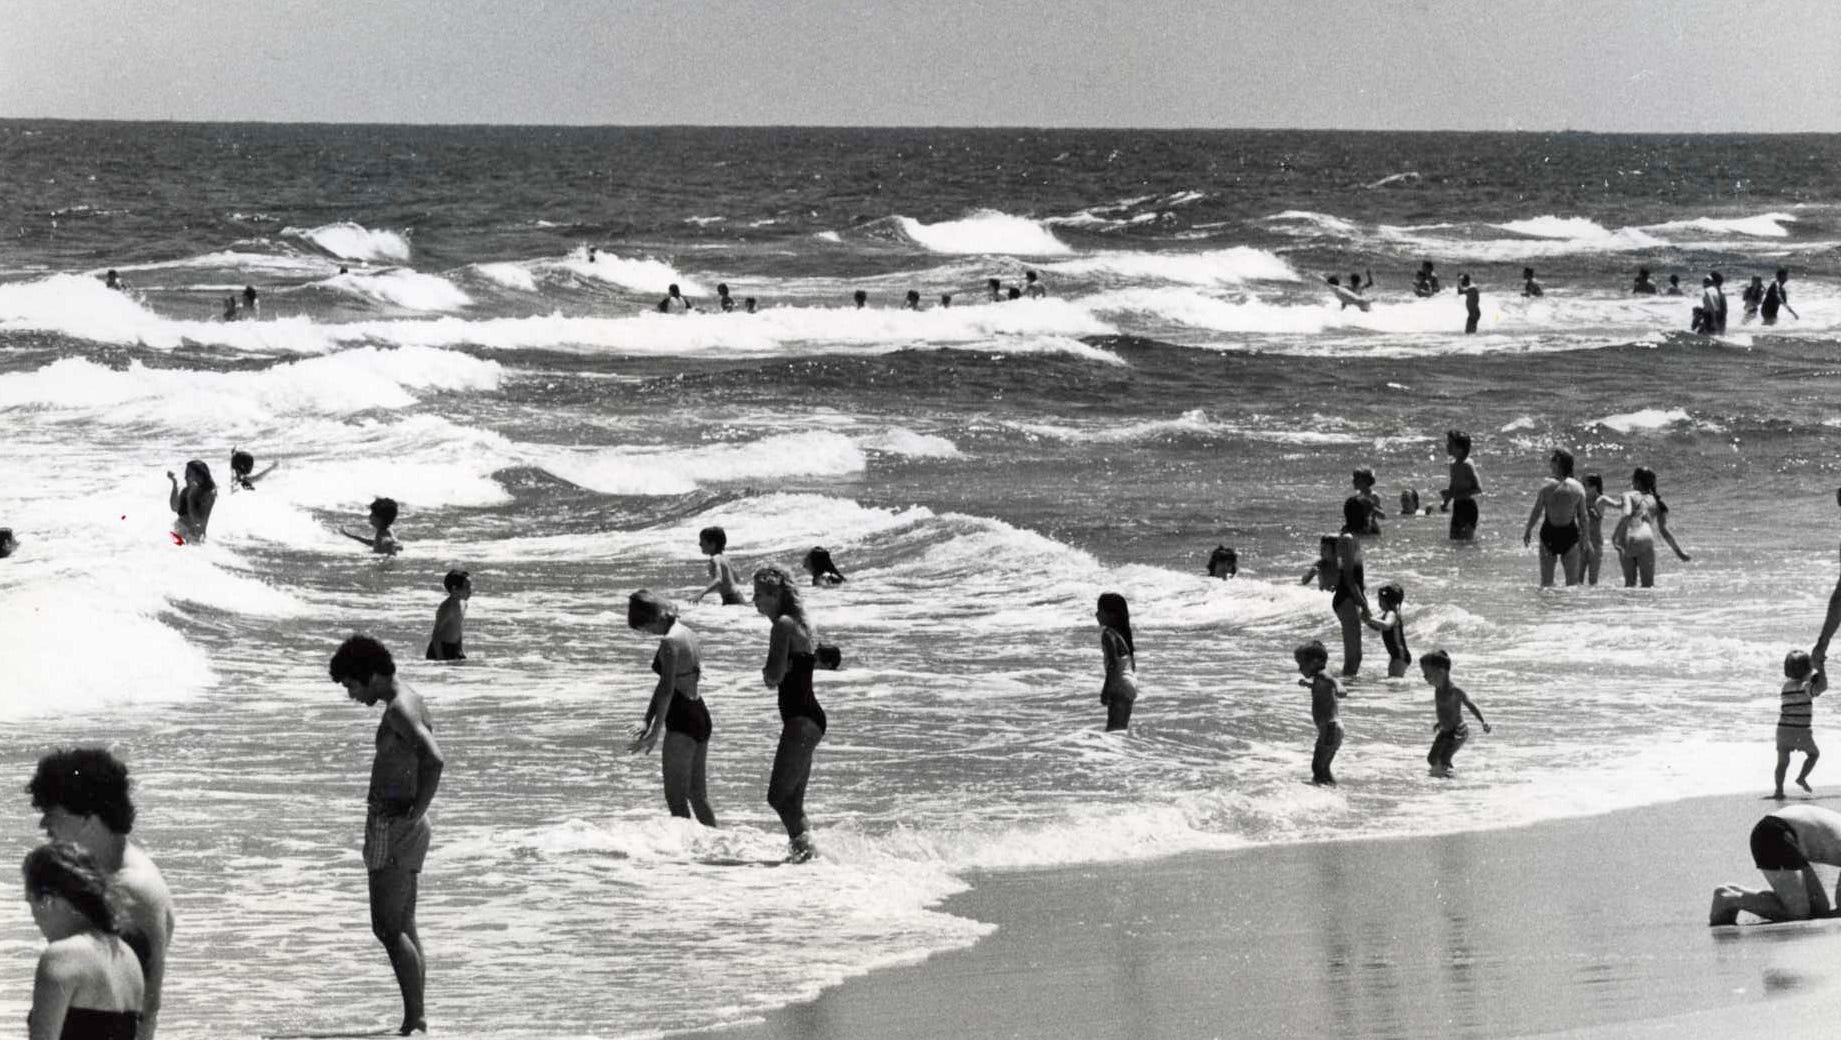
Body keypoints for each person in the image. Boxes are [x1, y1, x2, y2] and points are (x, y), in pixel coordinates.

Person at [329, 636, 443, 1036]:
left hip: (394, 826)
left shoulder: (398, 710)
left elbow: (434, 759)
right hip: (401, 825)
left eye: (351, 685)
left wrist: (415, 813)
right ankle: (416, 1019)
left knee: (387, 928)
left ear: (372, 676)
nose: (351, 695)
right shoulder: (410, 698)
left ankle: (414, 1021)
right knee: (403, 924)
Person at [28, 749, 173, 1040]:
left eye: (52, 813)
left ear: (88, 819)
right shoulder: (107, 872)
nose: (44, 825)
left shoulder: (129, 887)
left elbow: (146, 1005)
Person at [23, 842, 146, 1040]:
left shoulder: (62, 955)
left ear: (48, 900)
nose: (34, 918)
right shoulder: (127, 957)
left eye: (31, 902)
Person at [754, 566, 826, 862]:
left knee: (778, 796)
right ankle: (807, 858)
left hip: (801, 720)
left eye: (759, 594)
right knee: (792, 801)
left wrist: (770, 673)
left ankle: (808, 855)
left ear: (775, 595)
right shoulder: (799, 624)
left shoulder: (782, 625)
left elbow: (772, 676)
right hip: (808, 718)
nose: (754, 600)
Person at [627, 591, 716, 826]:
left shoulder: (669, 642)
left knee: (675, 798)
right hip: (699, 713)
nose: (647, 633)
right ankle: (717, 846)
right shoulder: (686, 632)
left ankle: (689, 857)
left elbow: (667, 688)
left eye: (645, 628)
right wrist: (647, 719)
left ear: (654, 618)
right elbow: (669, 682)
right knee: (698, 796)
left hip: (682, 719)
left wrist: (655, 733)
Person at [1709, 804, 1841, 924]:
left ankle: (1738, 894)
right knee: (1798, 913)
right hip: (1775, 833)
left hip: (1787, 832)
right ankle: (1730, 898)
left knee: (1819, 908)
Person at [1521, 448, 1589, 587]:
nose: (1550, 462)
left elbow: (1537, 511)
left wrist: (1528, 530)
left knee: (1546, 583)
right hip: (1570, 535)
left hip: (1549, 534)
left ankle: (1549, 608)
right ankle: (1569, 608)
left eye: (1552, 459)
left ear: (1558, 463)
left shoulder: (1546, 485)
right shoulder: (1578, 487)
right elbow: (1583, 517)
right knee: (1572, 584)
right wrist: (1585, 539)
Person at [1616, 466, 1690, 587]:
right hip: (1644, 539)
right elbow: (1664, 531)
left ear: (1636, 482)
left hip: (1627, 538)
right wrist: (1679, 552)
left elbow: (1623, 511)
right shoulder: (1657, 503)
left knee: (1629, 585)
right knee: (1647, 586)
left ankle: (1626, 606)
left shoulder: (1630, 497)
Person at [1422, 649, 1490, 777]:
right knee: (1431, 759)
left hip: (1458, 730)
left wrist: (1483, 721)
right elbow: (1446, 709)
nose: (1424, 678)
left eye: (1427, 674)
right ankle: (1443, 777)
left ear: (1440, 672)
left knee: (1443, 759)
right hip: (1446, 730)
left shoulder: (1455, 691)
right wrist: (1440, 722)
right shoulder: (1438, 689)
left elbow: (1470, 705)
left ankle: (1452, 783)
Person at [1774, 650, 1826, 799]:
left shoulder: (1786, 687)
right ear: (1808, 669)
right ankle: (1801, 777)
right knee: (1813, 754)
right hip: (1800, 731)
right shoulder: (1805, 686)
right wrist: (1821, 670)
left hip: (1782, 730)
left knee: (1782, 763)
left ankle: (1778, 791)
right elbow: (1819, 689)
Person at [1296, 640, 1344, 784]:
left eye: (1301, 664)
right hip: (1332, 729)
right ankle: (1331, 788)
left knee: (1317, 767)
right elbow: (1321, 687)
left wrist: (1339, 686)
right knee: (1323, 767)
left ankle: (1322, 793)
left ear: (1314, 662)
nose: (1299, 669)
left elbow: (1333, 681)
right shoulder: (1318, 679)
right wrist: (1308, 685)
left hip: (1330, 728)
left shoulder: (1323, 675)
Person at [1096, 592, 1138, 732]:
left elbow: (1113, 664)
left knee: (1113, 731)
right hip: (1130, 682)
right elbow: (1131, 663)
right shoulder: (1123, 636)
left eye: (1100, 611)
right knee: (1121, 730)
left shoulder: (1108, 634)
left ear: (1111, 615)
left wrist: (1106, 689)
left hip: (1119, 682)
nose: (1097, 615)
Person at [1362, 583, 1411, 678]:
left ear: (1385, 601)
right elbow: (1377, 628)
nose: (1379, 603)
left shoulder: (1391, 613)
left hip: (1400, 655)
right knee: (1393, 679)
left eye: (1380, 600)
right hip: (1397, 655)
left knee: (1394, 681)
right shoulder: (1388, 614)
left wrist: (1370, 618)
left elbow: (1386, 626)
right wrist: (1366, 620)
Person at [1441, 430, 1482, 541]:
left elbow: (1478, 488)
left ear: (1460, 448)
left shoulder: (1467, 464)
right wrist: (1445, 503)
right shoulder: (1453, 465)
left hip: (1469, 507)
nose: (1447, 446)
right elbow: (1453, 486)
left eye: (1450, 443)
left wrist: (1459, 494)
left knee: (1467, 542)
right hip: (1457, 506)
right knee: (1453, 541)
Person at [165, 461, 216, 545]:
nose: (185, 477)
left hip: (194, 536)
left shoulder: (208, 493)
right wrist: (175, 483)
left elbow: (197, 522)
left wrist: (191, 498)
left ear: (200, 476)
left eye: (189, 474)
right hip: (178, 531)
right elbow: (174, 508)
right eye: (186, 473)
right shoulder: (187, 489)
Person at [1581, 472, 1618, 586]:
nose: (1582, 487)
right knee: (1577, 579)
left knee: (1593, 580)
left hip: (1596, 542)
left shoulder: (1601, 500)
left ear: (1594, 487)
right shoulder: (1580, 499)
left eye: (1585, 485)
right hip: (1580, 542)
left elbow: (1618, 505)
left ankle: (1592, 601)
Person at [692, 526, 744, 605]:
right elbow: (736, 579)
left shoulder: (715, 559)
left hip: (730, 598)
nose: (699, 544)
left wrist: (702, 592)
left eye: (702, 541)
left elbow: (718, 580)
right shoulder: (726, 558)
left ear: (712, 544)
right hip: (737, 596)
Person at [425, 570, 470, 661]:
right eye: (466, 587)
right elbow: (436, 634)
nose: (470, 591)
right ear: (454, 589)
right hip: (440, 649)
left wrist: (460, 649)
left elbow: (458, 628)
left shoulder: (464, 604)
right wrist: (440, 656)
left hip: (454, 648)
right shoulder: (446, 608)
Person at [1349, 468, 1385, 535]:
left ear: (1365, 482)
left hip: (1371, 529)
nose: (1353, 481)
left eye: (1356, 479)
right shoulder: (1357, 496)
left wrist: (1371, 507)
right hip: (1360, 528)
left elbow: (1382, 516)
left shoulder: (1373, 496)